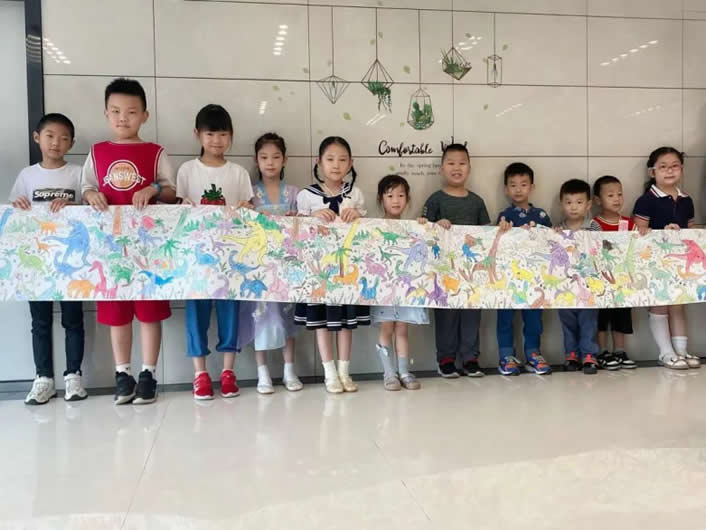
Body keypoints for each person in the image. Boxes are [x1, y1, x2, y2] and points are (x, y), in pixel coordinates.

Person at [82, 78, 176, 404]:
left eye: (132, 112)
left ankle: (149, 374)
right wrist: (91, 195)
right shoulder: (96, 152)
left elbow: (172, 192)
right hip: (110, 250)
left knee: (149, 312)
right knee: (116, 313)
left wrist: (154, 188)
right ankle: (123, 374)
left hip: (149, 249)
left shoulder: (156, 152)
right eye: (116, 111)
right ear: (106, 114)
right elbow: (86, 188)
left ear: (145, 116)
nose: (123, 118)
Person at [176, 104, 254, 400]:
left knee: (229, 313)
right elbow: (179, 211)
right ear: (197, 134)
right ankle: (200, 374)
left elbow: (249, 212)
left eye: (223, 134)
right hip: (195, 259)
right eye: (210, 134)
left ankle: (227, 372)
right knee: (195, 315)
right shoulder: (187, 170)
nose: (217, 141)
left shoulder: (238, 173)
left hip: (229, 258)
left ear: (231, 136)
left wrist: (247, 208)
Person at [10, 113, 86, 405]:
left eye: (64, 138)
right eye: (50, 136)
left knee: (73, 320)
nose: (56, 143)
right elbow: (15, 214)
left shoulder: (78, 173)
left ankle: (73, 377)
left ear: (72, 143)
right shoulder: (27, 175)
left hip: (70, 262)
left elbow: (92, 210)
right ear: (37, 138)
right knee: (40, 321)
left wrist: (74, 204)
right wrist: (17, 204)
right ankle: (43, 379)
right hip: (37, 262)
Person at [294, 136, 369, 393]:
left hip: (347, 270)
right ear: (319, 162)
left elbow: (366, 232)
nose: (336, 165)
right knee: (322, 323)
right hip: (319, 272)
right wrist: (312, 216)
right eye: (330, 159)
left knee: (346, 323)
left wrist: (358, 216)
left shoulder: (356, 194)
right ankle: (329, 374)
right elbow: (297, 233)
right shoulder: (306, 196)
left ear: (350, 163)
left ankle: (344, 372)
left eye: (342, 159)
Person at [239, 132, 302, 394]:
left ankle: (289, 370)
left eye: (276, 157)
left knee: (288, 316)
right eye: (264, 157)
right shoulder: (250, 193)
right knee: (260, 317)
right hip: (260, 266)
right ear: (256, 160)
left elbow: (304, 226)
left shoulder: (294, 192)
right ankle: (262, 372)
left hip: (287, 265)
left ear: (285, 160)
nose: (270, 162)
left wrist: (296, 218)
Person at [419, 143, 490, 379]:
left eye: (462, 163)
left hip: (471, 272)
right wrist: (436, 226)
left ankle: (470, 358)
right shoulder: (435, 199)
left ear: (469, 168)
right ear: (441, 169)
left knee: (472, 313)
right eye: (451, 163)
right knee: (446, 315)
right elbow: (423, 230)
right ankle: (446, 359)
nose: (456, 168)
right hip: (444, 271)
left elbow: (486, 235)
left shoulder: (477, 202)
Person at [633, 147, 699, 370]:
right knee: (660, 305)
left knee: (678, 304)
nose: (669, 171)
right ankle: (665, 353)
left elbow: (691, 232)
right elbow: (638, 233)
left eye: (674, 166)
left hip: (679, 263)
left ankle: (682, 351)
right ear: (652, 172)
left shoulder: (687, 200)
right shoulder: (646, 200)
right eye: (663, 167)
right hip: (655, 263)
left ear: (681, 169)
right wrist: (662, 232)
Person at [495, 163, 552, 376]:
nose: (518, 189)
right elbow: (496, 243)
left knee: (534, 317)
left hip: (535, 277)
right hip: (508, 276)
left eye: (523, 184)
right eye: (513, 185)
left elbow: (551, 242)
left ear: (532, 187)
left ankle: (533, 353)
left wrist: (549, 232)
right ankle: (506, 356)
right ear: (506, 189)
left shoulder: (542, 215)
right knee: (505, 316)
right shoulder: (504, 215)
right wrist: (502, 229)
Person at [373, 175, 427, 391]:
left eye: (401, 195)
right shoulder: (374, 226)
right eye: (390, 196)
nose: (396, 200)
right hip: (384, 288)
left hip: (406, 288)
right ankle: (389, 373)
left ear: (408, 199)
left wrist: (425, 227)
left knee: (403, 329)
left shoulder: (413, 226)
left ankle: (404, 372)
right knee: (386, 327)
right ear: (381, 199)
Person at [590, 175, 637, 370]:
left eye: (619, 194)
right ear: (598, 200)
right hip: (601, 280)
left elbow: (637, 246)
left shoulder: (630, 223)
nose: (616, 199)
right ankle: (602, 351)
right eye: (610, 195)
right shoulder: (594, 224)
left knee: (622, 314)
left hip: (623, 280)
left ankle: (619, 350)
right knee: (601, 316)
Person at [554, 179, 600, 374]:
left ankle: (589, 354)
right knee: (567, 320)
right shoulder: (558, 228)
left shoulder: (593, 226)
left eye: (579, 202)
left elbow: (600, 249)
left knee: (588, 319)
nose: (573, 207)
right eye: (569, 202)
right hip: (565, 283)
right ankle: (571, 354)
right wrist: (555, 235)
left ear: (588, 205)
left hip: (588, 283)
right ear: (561, 204)